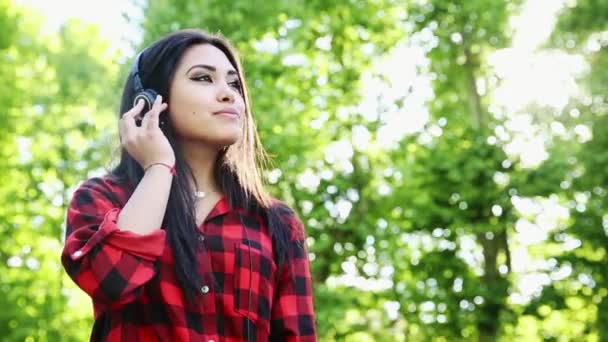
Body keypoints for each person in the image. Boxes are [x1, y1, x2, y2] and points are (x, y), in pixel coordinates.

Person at [61, 28, 317, 342]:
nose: (228, 94)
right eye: (203, 78)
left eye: (234, 83)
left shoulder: (278, 222)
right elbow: (112, 280)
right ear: (151, 100)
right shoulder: (103, 199)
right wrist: (157, 167)